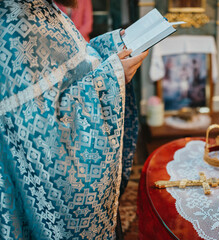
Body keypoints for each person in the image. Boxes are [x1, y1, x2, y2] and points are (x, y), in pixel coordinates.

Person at [0, 0, 148, 239]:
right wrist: (110, 79)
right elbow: (41, 132)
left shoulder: (40, 6)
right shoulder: (14, 23)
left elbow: (76, 62)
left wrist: (111, 45)